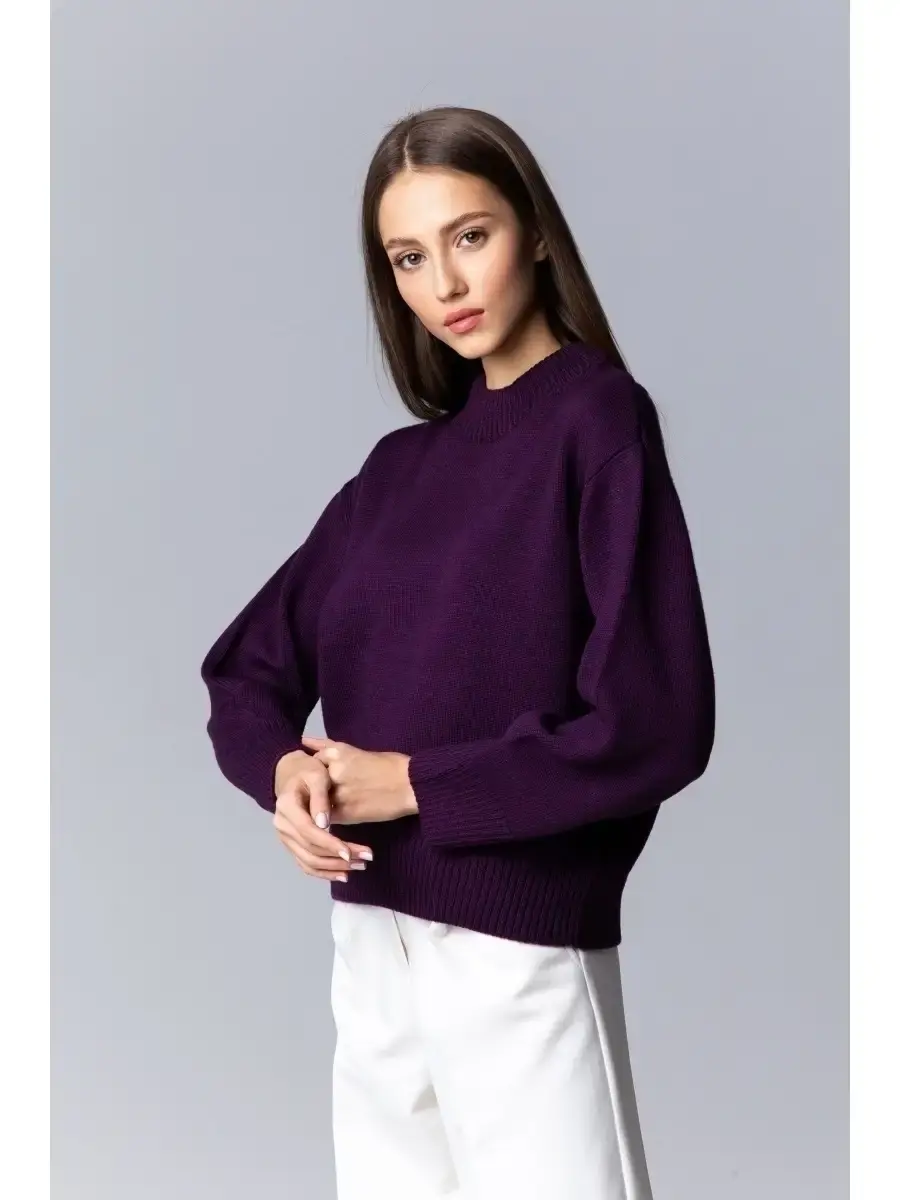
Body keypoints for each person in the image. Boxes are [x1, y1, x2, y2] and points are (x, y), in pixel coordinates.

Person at [200, 104, 716, 1200]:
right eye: (408, 257)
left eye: (470, 236)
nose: (445, 282)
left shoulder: (597, 422)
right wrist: (285, 773)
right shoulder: (397, 473)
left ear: (536, 233)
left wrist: (416, 785)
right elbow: (243, 671)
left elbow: (656, 722)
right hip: (372, 947)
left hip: (517, 945)